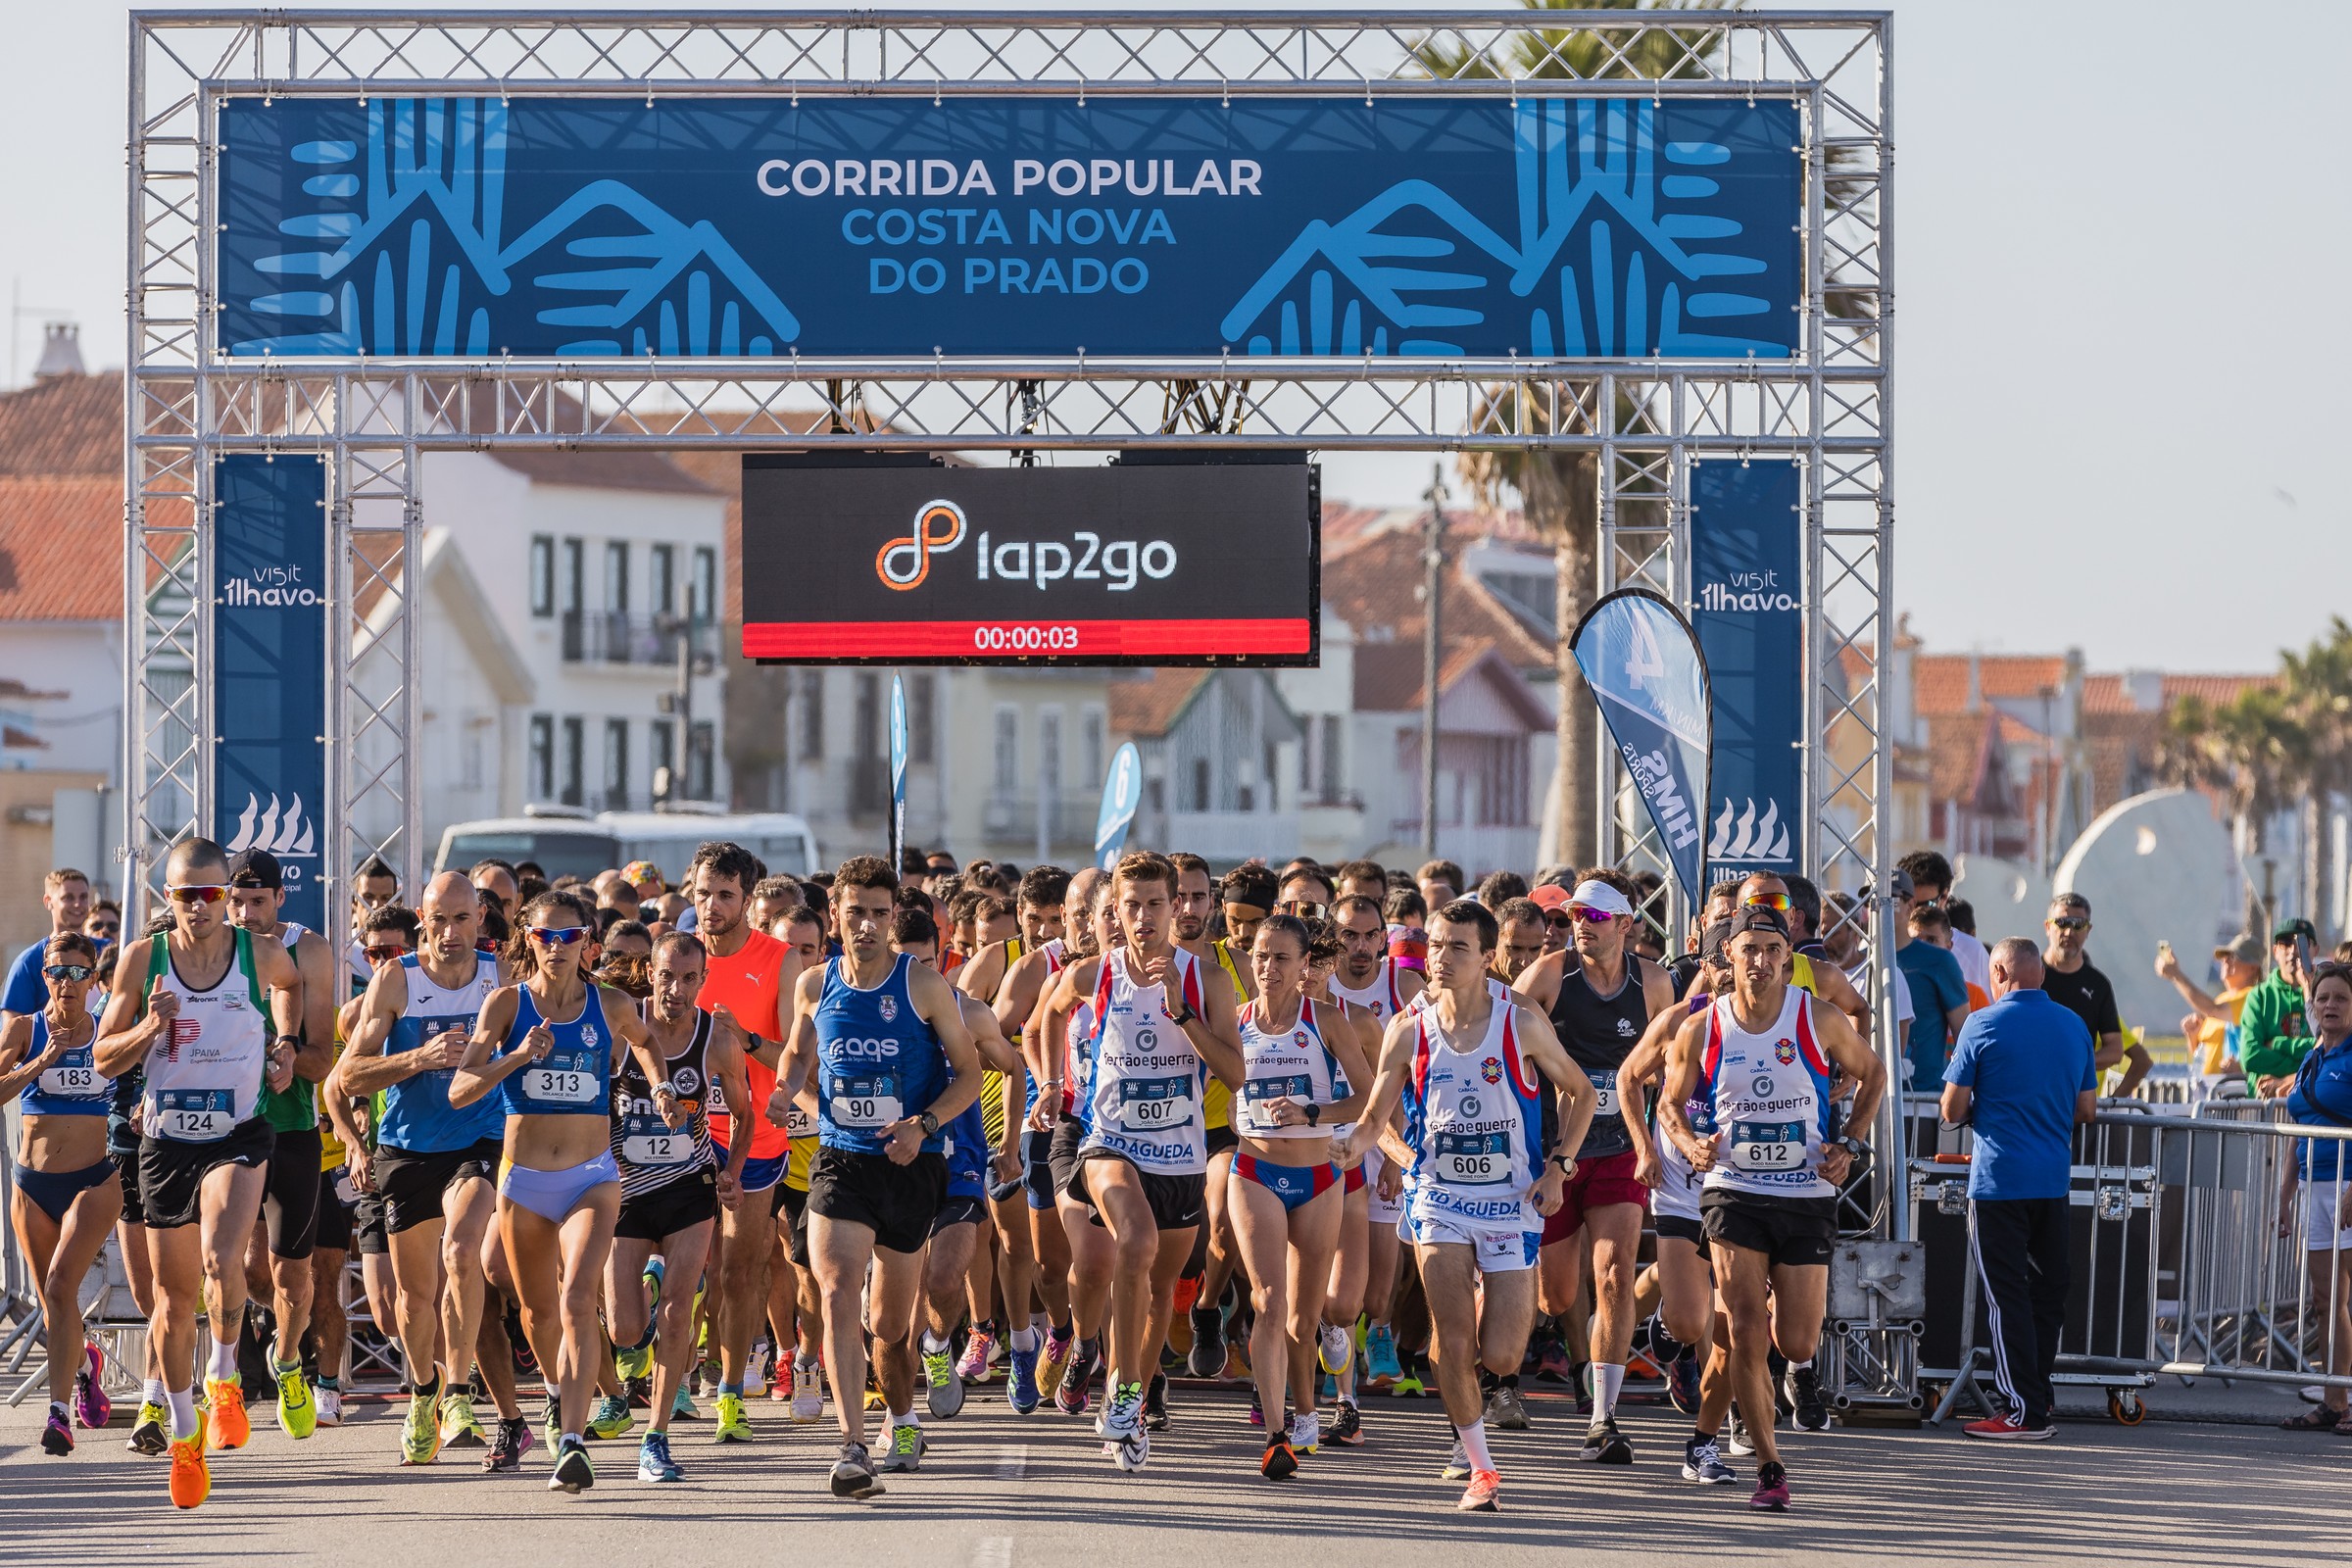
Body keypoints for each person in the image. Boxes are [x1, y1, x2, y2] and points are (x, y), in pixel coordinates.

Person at [1342, 898, 1596, 1513]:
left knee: (1503, 1352)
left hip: (1511, 1203)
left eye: (1458, 947)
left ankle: (1483, 1357)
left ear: (1488, 957)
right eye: (1434, 945)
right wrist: (1385, 1159)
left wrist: (1559, 1168)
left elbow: (1583, 1094)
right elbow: (1375, 1119)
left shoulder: (1522, 1024)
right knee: (1452, 1341)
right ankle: (1481, 1466)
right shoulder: (1408, 1029)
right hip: (1441, 1203)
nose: (1441, 957)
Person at [93, 837, 305, 1509]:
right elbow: (103, 1059)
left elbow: (290, 986)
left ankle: (225, 1379)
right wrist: (147, 1032)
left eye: (214, 894)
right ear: (169, 899)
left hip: (238, 1134)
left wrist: (285, 1043)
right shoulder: (142, 960)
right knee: (173, 1300)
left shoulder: (258, 952)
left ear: (227, 898)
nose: (203, 906)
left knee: (223, 1256)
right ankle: (186, 1440)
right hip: (164, 1143)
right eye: (188, 895)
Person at [1656, 906, 1886, 1512]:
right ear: (1727, 958)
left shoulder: (1819, 1017)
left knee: (1795, 1340)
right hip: (1733, 1193)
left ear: (1789, 957)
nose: (1759, 961)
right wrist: (1689, 1145)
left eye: (1770, 950)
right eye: (1747, 949)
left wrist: (1851, 1143)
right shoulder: (1702, 1029)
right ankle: (1769, 1467)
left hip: (1806, 1194)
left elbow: (1873, 1073)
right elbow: (1668, 1103)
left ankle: (1705, 1433)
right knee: (1748, 1333)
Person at [770, 855, 983, 1499]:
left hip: (910, 1165)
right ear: (835, 913)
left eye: (879, 913)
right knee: (836, 1292)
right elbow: (796, 1056)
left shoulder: (921, 985)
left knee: (891, 1328)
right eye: (855, 912)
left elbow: (970, 1076)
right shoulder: (814, 985)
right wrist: (786, 1093)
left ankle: (902, 1414)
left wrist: (923, 1125)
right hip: (841, 1162)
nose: (866, 924)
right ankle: (851, 1446)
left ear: (895, 917)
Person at [451, 887, 670, 1494]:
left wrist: (657, 1087)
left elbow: (649, 1044)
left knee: (576, 1298)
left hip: (591, 1178)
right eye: (545, 936)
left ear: (588, 944)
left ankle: (572, 1443)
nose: (556, 946)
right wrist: (516, 1057)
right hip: (522, 1183)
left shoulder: (612, 1004)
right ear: (529, 940)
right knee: (537, 1311)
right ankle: (555, 1392)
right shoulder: (505, 1004)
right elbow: (461, 1088)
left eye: (568, 936)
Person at [1040, 851, 1245, 1471]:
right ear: (1117, 911)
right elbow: (1048, 1014)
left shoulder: (1204, 979)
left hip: (1180, 1153)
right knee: (1135, 1239)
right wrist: (1053, 1080)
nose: (1145, 916)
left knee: (1162, 1292)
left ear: (1177, 905)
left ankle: (1128, 1391)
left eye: (1157, 903)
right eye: (1132, 906)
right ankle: (1124, 1393)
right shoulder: (1095, 975)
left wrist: (1180, 1009)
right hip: (1111, 1141)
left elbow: (1237, 1073)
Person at [332, 872, 518, 1467]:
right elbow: (349, 1076)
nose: (450, 933)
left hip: (479, 1140)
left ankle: (459, 1393)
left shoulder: (500, 979)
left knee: (463, 1253)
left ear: (480, 920)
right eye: (438, 920)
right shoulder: (397, 979)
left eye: (462, 919)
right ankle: (423, 1391)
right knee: (414, 1297)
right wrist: (420, 1057)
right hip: (408, 1147)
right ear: (422, 917)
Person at [1511, 874, 1675, 1464]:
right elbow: (1504, 1037)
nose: (1582, 924)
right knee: (1558, 1294)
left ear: (1626, 925)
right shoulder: (1552, 975)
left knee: (1611, 1274)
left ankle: (1604, 1418)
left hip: (1620, 1148)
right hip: (1554, 1154)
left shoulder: (1654, 983)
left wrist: (1651, 1087)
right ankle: (1568, 1354)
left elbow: (1674, 1059)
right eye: (1577, 914)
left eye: (1596, 917)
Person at [1228, 913, 1372, 1478]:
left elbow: (1365, 1099)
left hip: (1318, 1180)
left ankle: (1309, 1407)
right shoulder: (1235, 1020)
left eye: (1281, 958)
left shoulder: (1327, 1020)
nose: (1267, 968)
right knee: (1268, 1301)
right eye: (1261, 956)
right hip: (1254, 1170)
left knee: (1304, 1318)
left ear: (1303, 964)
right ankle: (1275, 1433)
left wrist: (1313, 1112)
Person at [605, 931, 752, 1482]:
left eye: (690, 978)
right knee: (624, 1329)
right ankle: (646, 1284)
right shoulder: (622, 1029)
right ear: (649, 972)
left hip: (690, 1186)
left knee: (675, 1312)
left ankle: (656, 1437)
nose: (677, 989)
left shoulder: (716, 1040)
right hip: (625, 1189)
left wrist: (732, 1171)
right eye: (667, 975)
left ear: (703, 980)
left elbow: (745, 1113)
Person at [1938, 939, 2098, 1441]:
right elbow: (2087, 1109)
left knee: (2006, 1295)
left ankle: (2022, 1410)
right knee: (2048, 1293)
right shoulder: (2073, 1025)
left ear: (2001, 971)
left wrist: (1992, 1104)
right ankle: (2038, 1396)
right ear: (2042, 976)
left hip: (1997, 1181)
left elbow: (1950, 1110)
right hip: (2052, 1179)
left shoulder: (1982, 1024)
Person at [685, 840, 801, 1443]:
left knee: (736, 1270)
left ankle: (730, 1390)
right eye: (703, 893)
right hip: (680, 1134)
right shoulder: (674, 956)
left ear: (746, 899)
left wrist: (747, 1040)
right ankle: (676, 1384)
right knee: (684, 1267)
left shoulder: (779, 960)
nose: (711, 906)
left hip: (753, 1134)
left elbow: (795, 1058)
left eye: (725, 895)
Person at [891, 907, 1024, 1423]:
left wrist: (1009, 1143)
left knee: (945, 1281)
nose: (916, 978)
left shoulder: (967, 1013)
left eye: (926, 964)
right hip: (891, 1165)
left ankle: (938, 1342)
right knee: (893, 1308)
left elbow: (1013, 1067)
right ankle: (896, 1420)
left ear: (942, 956)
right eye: (905, 966)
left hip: (959, 1163)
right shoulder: (867, 1012)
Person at [223, 847, 338, 1439]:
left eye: (257, 901)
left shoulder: (308, 950)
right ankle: (228, 1382)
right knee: (240, 1267)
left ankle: (289, 1360)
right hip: (227, 1131)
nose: (244, 913)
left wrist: (291, 1057)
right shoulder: (206, 950)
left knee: (293, 1276)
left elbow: (326, 1056)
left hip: (292, 1127)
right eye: (235, 901)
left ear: (280, 899)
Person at [0, 931, 122, 1455]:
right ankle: (86, 1361)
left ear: (93, 979)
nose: (66, 982)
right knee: (55, 1303)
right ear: (43, 976)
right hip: (32, 1184)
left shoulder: (107, 1030)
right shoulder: (25, 1029)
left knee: (57, 1286)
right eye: (56, 971)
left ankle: (58, 1417)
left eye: (77, 972)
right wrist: (39, 1062)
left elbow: (144, 1074)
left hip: (93, 1180)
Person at [2278, 962, 2352, 1434]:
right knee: (2327, 1300)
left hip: (2348, 1187)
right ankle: (2334, 1400)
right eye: (2323, 998)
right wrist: (2284, 1195)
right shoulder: (2311, 1056)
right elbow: (2297, 1130)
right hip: (2314, 1188)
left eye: (2341, 998)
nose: (2329, 1006)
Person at [2038, 894, 2150, 1095]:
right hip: (2031, 1104)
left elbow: (2116, 1051)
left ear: (2088, 930)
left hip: (2079, 1110)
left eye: (2078, 924)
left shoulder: (2098, 985)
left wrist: (2111, 1106)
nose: (2069, 931)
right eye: (2062, 922)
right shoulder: (2030, 975)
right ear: (2048, 927)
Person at [2157, 933, 2263, 1102]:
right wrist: (2192, 1036)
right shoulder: (2223, 999)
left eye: (2234, 957)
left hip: (2233, 1095)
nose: (2225, 961)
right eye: (2224, 957)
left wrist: (2176, 975)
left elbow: (2212, 1009)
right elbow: (2200, 1053)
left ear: (2253, 967)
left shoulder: (2252, 997)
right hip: (2208, 1092)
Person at [1893, 875, 1971, 1092]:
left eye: (1891, 897)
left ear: (1909, 904)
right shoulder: (1865, 959)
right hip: (1870, 1095)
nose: (1879, 904)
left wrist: (1961, 1095)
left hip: (1923, 1095)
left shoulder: (1940, 960)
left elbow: (1965, 1037)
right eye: (1870, 897)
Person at [3, 868, 95, 1025]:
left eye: (83, 897)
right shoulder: (28, 961)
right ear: (48, 901)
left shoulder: (104, 950)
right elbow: (11, 1025)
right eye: (68, 897)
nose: (78, 904)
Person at [2240, 918, 2320, 1098]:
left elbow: (2331, 1050)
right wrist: (2310, 1059)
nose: (2293, 950)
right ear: (2275, 951)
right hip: (2265, 1106)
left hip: (2313, 1104)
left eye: (2301, 942)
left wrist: (2277, 1044)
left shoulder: (2326, 995)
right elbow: (2250, 1056)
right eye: (2285, 943)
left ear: (2315, 949)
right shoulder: (2259, 996)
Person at [1899, 851, 1990, 998]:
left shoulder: (1972, 951)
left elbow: (1986, 1011)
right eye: (1909, 903)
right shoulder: (1886, 947)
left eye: (1926, 904)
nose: (1915, 912)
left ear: (1944, 897)